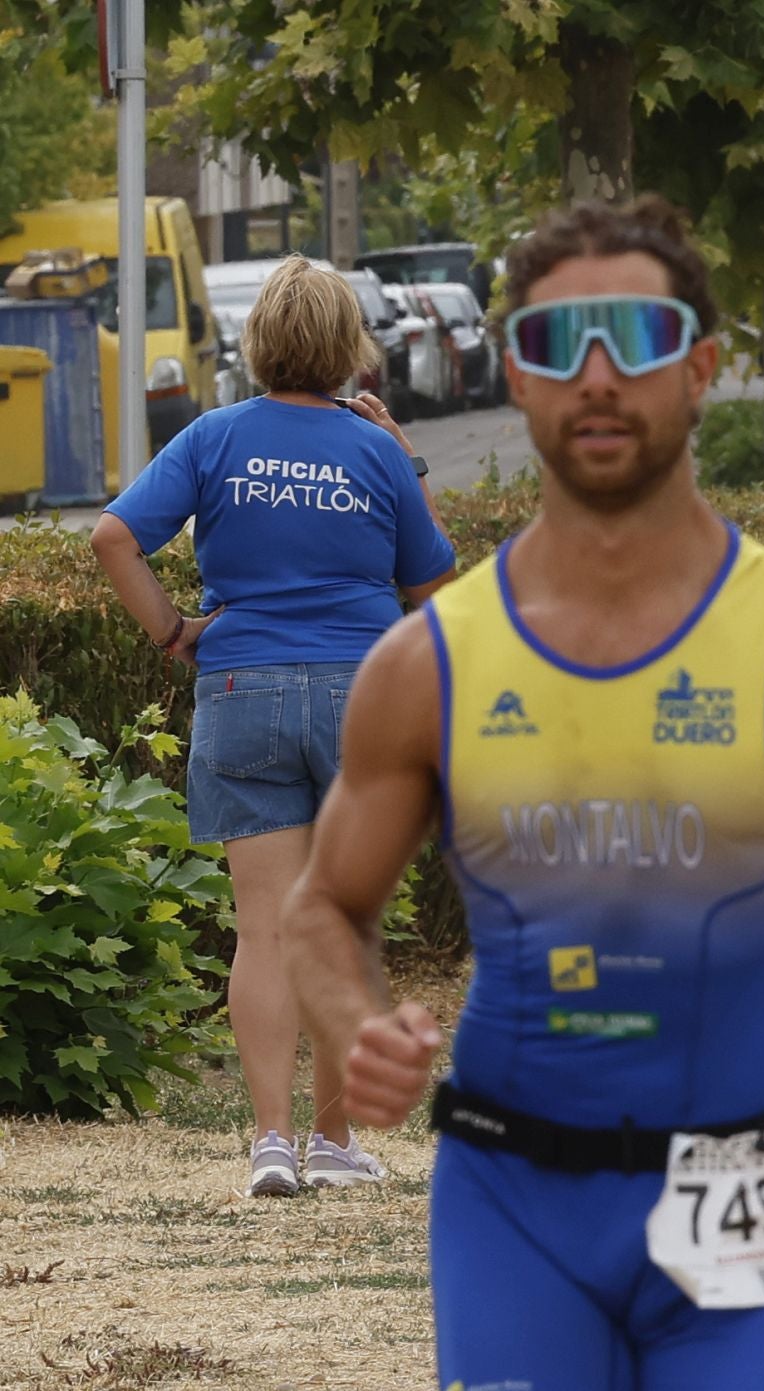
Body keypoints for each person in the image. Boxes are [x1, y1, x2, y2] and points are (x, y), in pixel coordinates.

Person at [281, 197, 764, 1389]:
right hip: (507, 1198)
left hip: (743, 1189)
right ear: (516, 372)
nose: (598, 376)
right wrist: (360, 1024)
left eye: (638, 338)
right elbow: (320, 905)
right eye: (561, 344)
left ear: (701, 365)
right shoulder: (430, 661)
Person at [89, 255, 455, 1198]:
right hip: (361, 700)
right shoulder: (373, 450)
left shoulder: (213, 437)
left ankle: (269, 1141)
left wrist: (176, 631)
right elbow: (431, 587)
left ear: (258, 344)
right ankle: (334, 1143)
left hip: (242, 687)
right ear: (348, 347)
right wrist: (401, 450)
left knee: (263, 930)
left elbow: (113, 537)